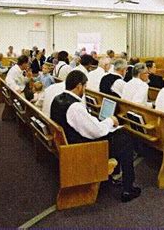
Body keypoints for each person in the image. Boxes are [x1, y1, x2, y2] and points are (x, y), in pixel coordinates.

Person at [50, 70, 141, 202]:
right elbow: (96, 132)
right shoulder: (75, 107)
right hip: (82, 149)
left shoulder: (58, 99)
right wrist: (111, 120)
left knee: (119, 135)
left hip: (69, 144)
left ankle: (111, 178)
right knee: (124, 137)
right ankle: (128, 188)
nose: (85, 89)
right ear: (79, 86)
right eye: (85, 86)